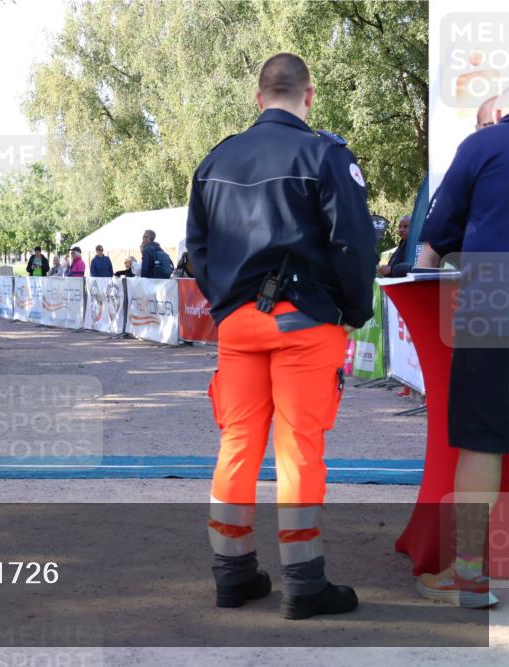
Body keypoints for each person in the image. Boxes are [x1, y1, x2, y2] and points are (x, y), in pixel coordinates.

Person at [186, 53, 376, 619]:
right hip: (304, 322)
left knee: (237, 443)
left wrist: (228, 301)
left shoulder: (216, 159)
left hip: (238, 326)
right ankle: (303, 581)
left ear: (258, 97)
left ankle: (233, 573)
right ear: (308, 95)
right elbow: (354, 244)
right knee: (299, 451)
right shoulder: (325, 154)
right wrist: (352, 311)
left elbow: (197, 249)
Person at [413, 93, 508, 609]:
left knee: (481, 439)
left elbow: (433, 245)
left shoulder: (483, 145)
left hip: (495, 291)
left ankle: (470, 575)